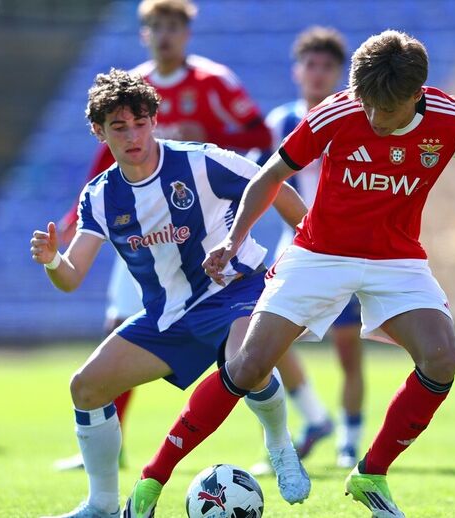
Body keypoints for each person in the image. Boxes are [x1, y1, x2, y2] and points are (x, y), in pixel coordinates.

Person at [126, 30, 455, 517]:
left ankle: (370, 474)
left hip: (397, 261)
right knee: (248, 366)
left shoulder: (453, 120)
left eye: (385, 110)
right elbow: (271, 175)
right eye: (367, 105)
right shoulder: (338, 111)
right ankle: (151, 482)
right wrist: (233, 239)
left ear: (416, 95)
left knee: (441, 359)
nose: (373, 118)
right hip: (319, 254)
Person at [31, 69, 310, 518]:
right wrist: (51, 260)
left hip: (234, 290)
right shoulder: (100, 196)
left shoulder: (201, 162)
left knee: (246, 362)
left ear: (154, 121)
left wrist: (309, 246)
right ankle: (101, 505)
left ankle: (279, 446)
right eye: (118, 127)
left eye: (139, 123)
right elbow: (72, 276)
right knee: (85, 387)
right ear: (99, 132)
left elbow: (271, 182)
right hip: (169, 316)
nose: (132, 136)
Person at [53, 0, 271, 472]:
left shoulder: (214, 81)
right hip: (140, 232)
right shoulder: (128, 87)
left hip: (200, 225)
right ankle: (110, 441)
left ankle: (282, 436)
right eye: (157, 27)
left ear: (187, 33)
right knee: (119, 327)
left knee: (249, 343)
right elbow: (104, 165)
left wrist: (209, 142)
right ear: (144, 33)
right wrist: (73, 218)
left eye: (174, 27)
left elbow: (259, 137)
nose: (165, 35)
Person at [249, 26, 366, 475]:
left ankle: (349, 443)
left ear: (339, 73)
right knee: (264, 336)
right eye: (310, 64)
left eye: (326, 66)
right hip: (296, 247)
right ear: (297, 70)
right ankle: (316, 418)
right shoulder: (280, 122)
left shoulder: (353, 118)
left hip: (347, 248)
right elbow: (259, 177)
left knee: (347, 350)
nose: (317, 73)